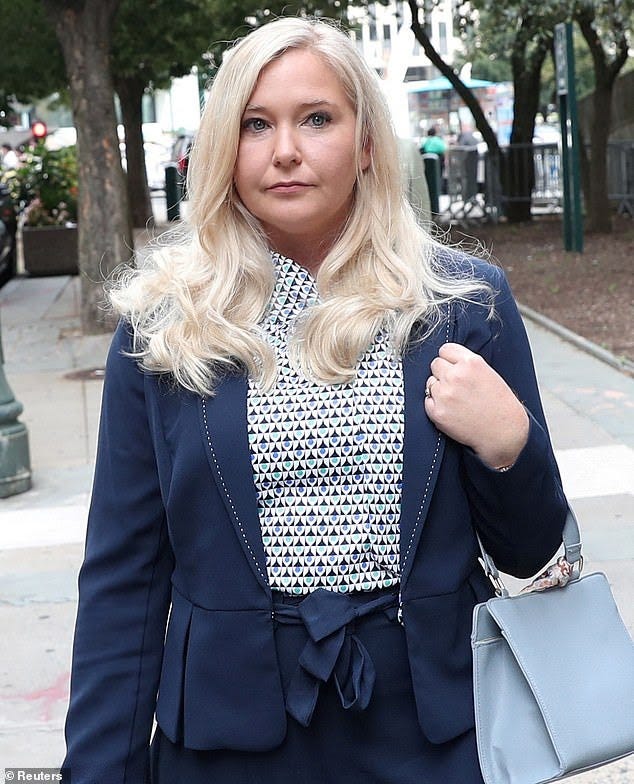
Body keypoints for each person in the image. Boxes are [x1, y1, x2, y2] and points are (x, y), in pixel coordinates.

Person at [61, 17, 567, 784]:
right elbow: (123, 581)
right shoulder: (165, 327)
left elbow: (532, 554)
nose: (286, 151)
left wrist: (509, 446)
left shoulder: (461, 305)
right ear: (224, 149)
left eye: (318, 119)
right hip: (227, 742)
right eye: (255, 124)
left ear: (366, 143)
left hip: (432, 736)